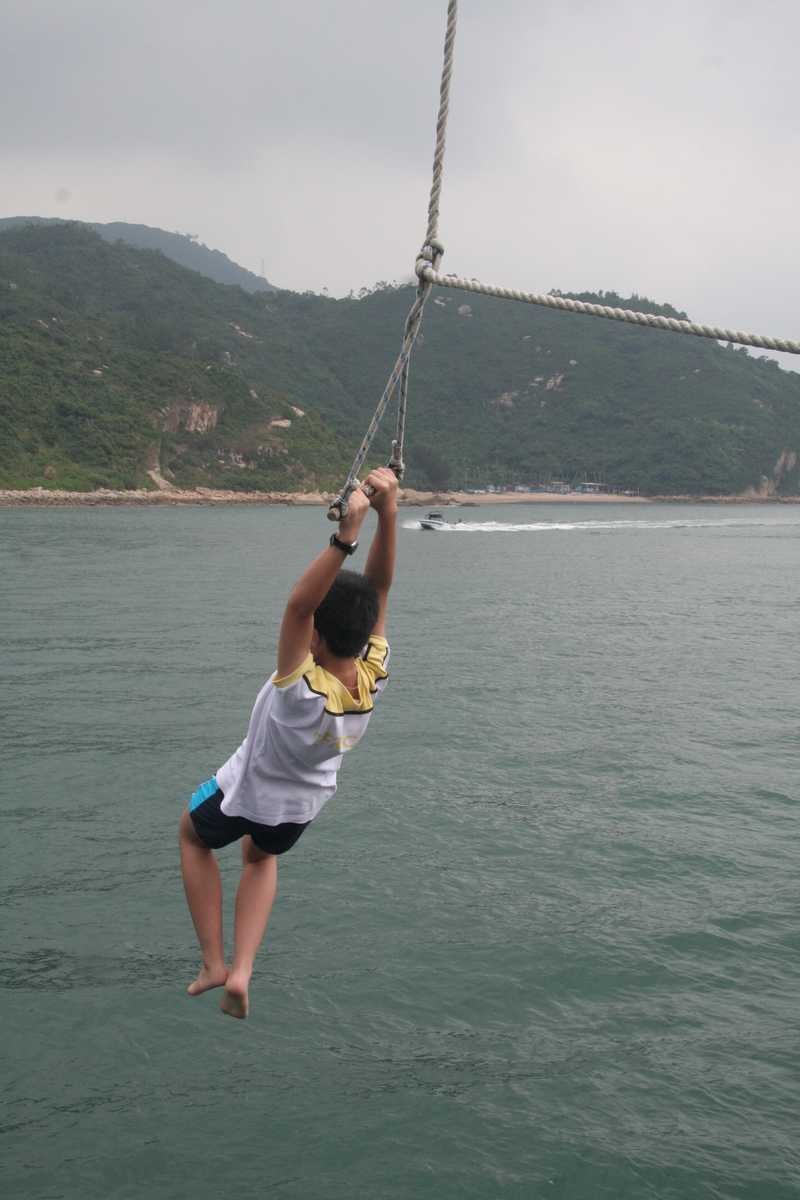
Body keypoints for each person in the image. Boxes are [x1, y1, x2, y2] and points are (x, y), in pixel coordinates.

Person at [178, 467, 398, 1019]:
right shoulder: (371, 676)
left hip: (249, 792)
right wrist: (389, 514)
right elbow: (378, 590)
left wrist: (347, 536)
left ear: (314, 637)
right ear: (364, 636)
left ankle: (214, 963)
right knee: (259, 857)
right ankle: (243, 971)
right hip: (301, 807)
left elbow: (299, 606)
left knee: (191, 836)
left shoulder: (299, 688)